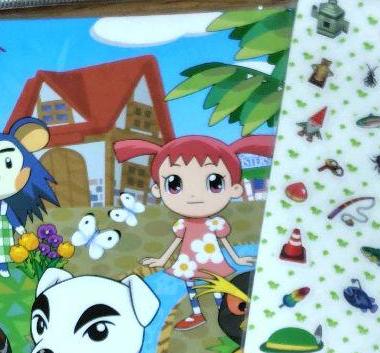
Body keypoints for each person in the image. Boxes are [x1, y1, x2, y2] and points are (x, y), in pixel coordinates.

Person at [113, 134, 275, 330]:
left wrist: (237, 259)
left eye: (215, 183)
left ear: (234, 189)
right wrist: (161, 260)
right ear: (157, 189)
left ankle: (222, 311)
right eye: (175, 184)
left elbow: (224, 241)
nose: (193, 194)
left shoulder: (215, 223)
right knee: (191, 285)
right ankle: (197, 314)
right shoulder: (183, 224)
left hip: (211, 259)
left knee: (216, 285)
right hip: (188, 261)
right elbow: (177, 242)